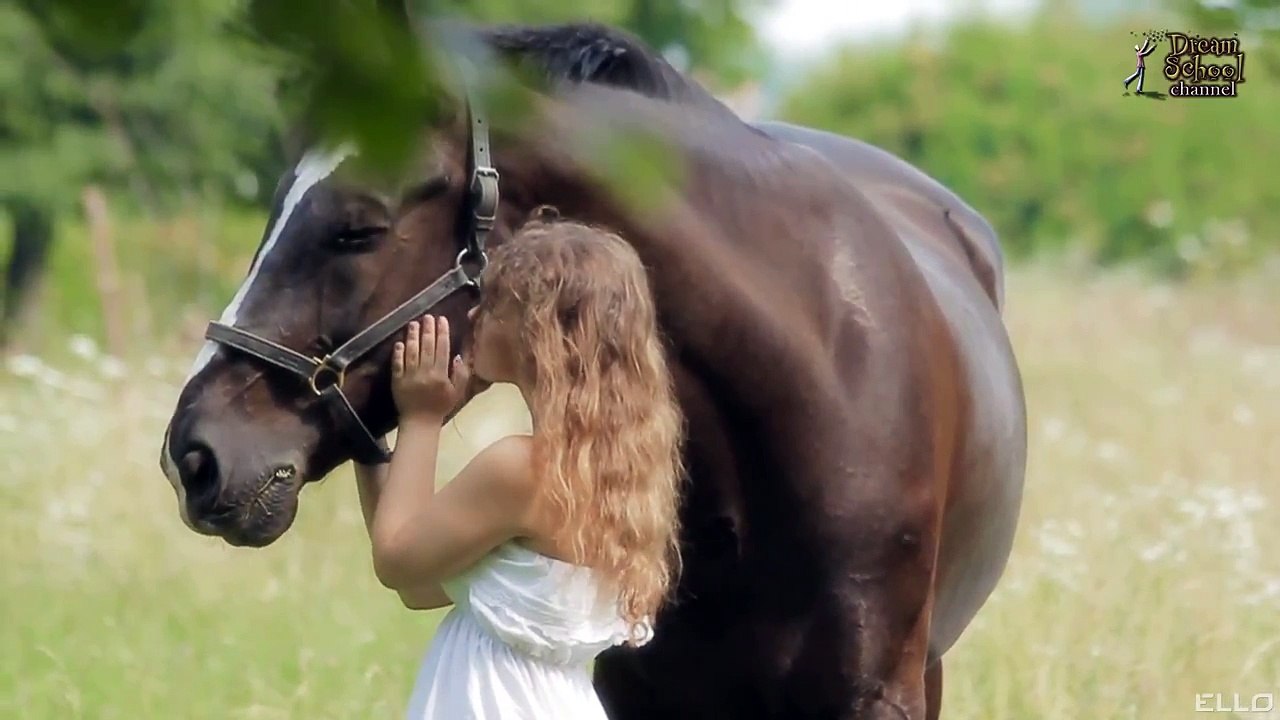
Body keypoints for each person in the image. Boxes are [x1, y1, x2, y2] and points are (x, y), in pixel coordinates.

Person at [352, 214, 686, 719]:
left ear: (539, 332)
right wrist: (368, 440)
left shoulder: (523, 468)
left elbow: (397, 559)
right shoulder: (601, 473)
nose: (473, 319)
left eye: (493, 306)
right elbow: (420, 587)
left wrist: (422, 417)